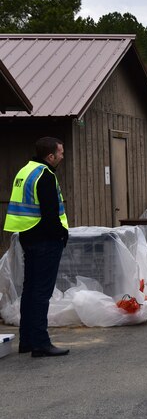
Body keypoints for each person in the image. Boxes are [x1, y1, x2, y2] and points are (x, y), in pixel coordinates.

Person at [4, 137, 69, 357]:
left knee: (30, 291)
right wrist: (62, 234)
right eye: (60, 153)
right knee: (42, 293)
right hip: (46, 240)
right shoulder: (46, 175)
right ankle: (41, 342)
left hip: (28, 237)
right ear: (50, 156)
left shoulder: (26, 171)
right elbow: (51, 214)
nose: (62, 156)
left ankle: (28, 341)